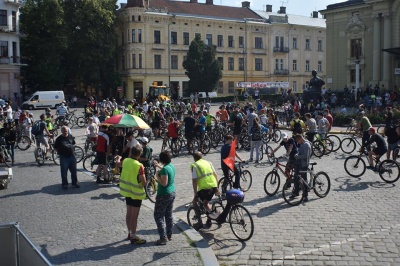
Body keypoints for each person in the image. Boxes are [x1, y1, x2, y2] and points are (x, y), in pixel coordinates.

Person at [116, 144, 147, 244]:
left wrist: (119, 157)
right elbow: (144, 181)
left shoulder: (126, 161)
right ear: (139, 154)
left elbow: (118, 163)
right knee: (135, 215)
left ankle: (129, 233)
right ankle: (134, 235)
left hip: (127, 191)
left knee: (129, 212)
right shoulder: (139, 165)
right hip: (136, 193)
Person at [191, 151, 219, 230]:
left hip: (205, 187)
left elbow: (194, 180)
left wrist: (195, 193)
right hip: (213, 185)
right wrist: (216, 187)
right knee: (206, 202)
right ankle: (209, 219)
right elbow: (215, 174)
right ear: (201, 157)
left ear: (194, 158)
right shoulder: (208, 162)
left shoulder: (195, 165)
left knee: (195, 202)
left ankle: (200, 223)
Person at [153, 150, 176, 245]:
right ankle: (169, 234)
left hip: (164, 194)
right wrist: (159, 167)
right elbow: (165, 169)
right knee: (168, 214)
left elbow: (164, 183)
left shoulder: (164, 170)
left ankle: (163, 237)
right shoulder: (171, 166)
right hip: (172, 192)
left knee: (158, 215)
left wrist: (157, 176)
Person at [292, 134, 312, 202]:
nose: (297, 142)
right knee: (296, 177)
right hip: (299, 163)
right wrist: (297, 154)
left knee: (304, 180)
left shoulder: (306, 145)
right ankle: (296, 192)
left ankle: (305, 195)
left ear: (300, 139)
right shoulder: (302, 144)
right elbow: (300, 152)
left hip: (304, 164)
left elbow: (306, 155)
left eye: (298, 141)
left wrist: (298, 157)